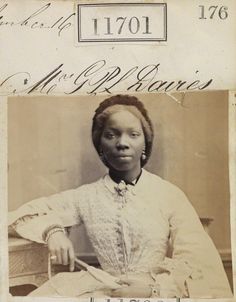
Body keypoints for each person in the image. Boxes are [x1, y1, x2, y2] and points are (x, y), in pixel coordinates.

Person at [8, 95, 232, 298]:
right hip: (102, 290)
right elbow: (20, 215)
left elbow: (198, 261)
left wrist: (152, 289)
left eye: (133, 134)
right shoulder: (87, 196)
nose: (122, 143)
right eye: (111, 135)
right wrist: (53, 231)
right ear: (100, 145)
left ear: (145, 143)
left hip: (155, 292)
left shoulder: (168, 195)